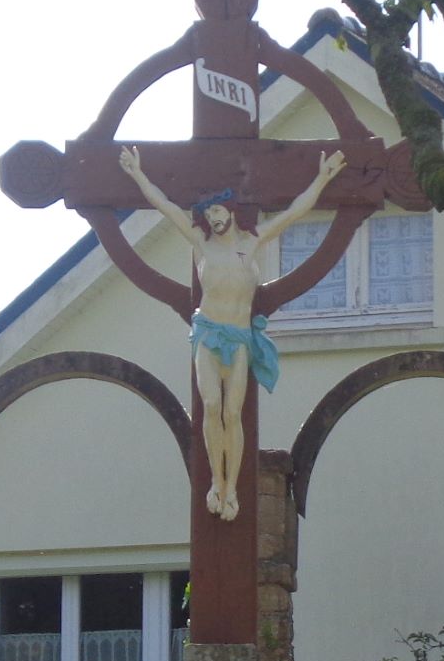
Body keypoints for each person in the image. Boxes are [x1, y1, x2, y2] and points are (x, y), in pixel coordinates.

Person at [117, 144, 349, 521]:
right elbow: (165, 207)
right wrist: (137, 173)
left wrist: (322, 177)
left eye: (218, 211)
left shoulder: (251, 242)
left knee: (232, 412)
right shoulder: (201, 243)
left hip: (238, 337)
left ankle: (231, 488)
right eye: (209, 212)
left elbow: (295, 213)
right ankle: (216, 483)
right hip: (208, 334)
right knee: (211, 407)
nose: (214, 217)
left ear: (231, 213)